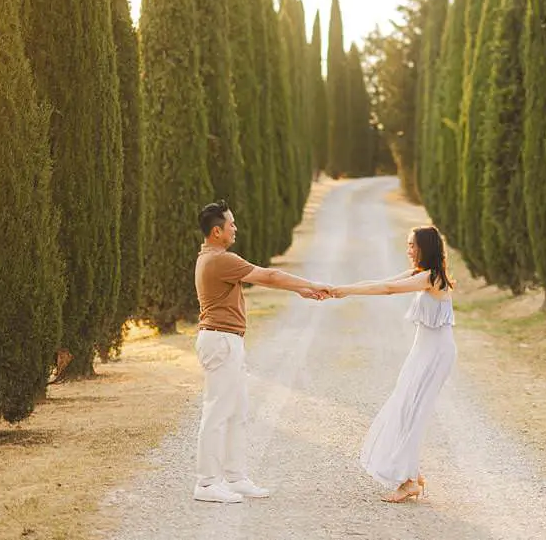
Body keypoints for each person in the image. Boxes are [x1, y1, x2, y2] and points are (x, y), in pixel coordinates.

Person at [193, 201, 331, 504]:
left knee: (238, 411)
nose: (235, 228)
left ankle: (235, 477)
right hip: (220, 341)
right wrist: (308, 285)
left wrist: (300, 290)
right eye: (231, 225)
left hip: (228, 341)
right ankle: (206, 484)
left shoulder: (215, 257)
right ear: (217, 231)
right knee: (217, 412)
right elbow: (267, 275)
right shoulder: (220, 259)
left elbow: (265, 279)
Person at [329, 225, 456, 503]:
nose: (408, 249)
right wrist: (344, 289)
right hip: (423, 350)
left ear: (425, 248)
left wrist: (344, 291)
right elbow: (381, 282)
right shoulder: (420, 275)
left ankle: (408, 480)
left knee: (413, 411)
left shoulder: (431, 279)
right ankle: (411, 473)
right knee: (406, 407)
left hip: (436, 353)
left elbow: (387, 290)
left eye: (412, 245)